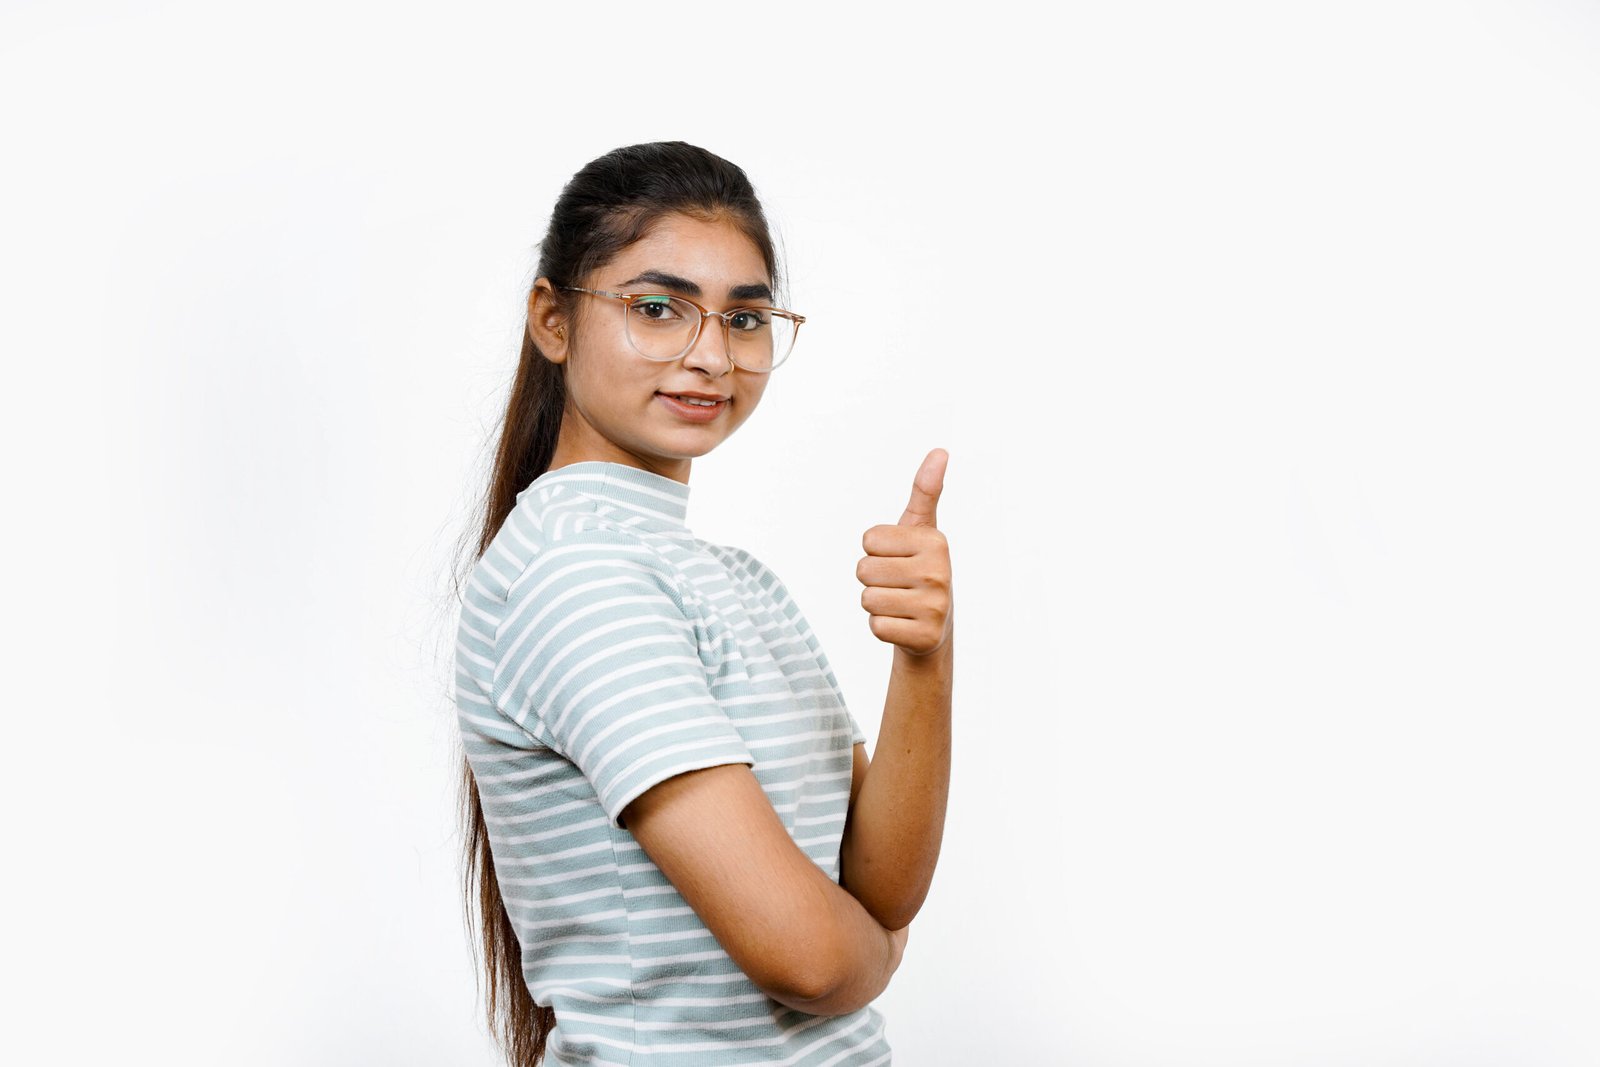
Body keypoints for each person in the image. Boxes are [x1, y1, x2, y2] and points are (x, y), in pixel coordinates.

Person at [453, 141, 954, 1066]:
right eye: (657, 309)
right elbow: (808, 960)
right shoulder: (579, 575)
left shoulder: (724, 576)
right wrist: (877, 956)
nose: (710, 356)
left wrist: (923, 654)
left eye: (745, 318)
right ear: (552, 319)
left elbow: (881, 886)